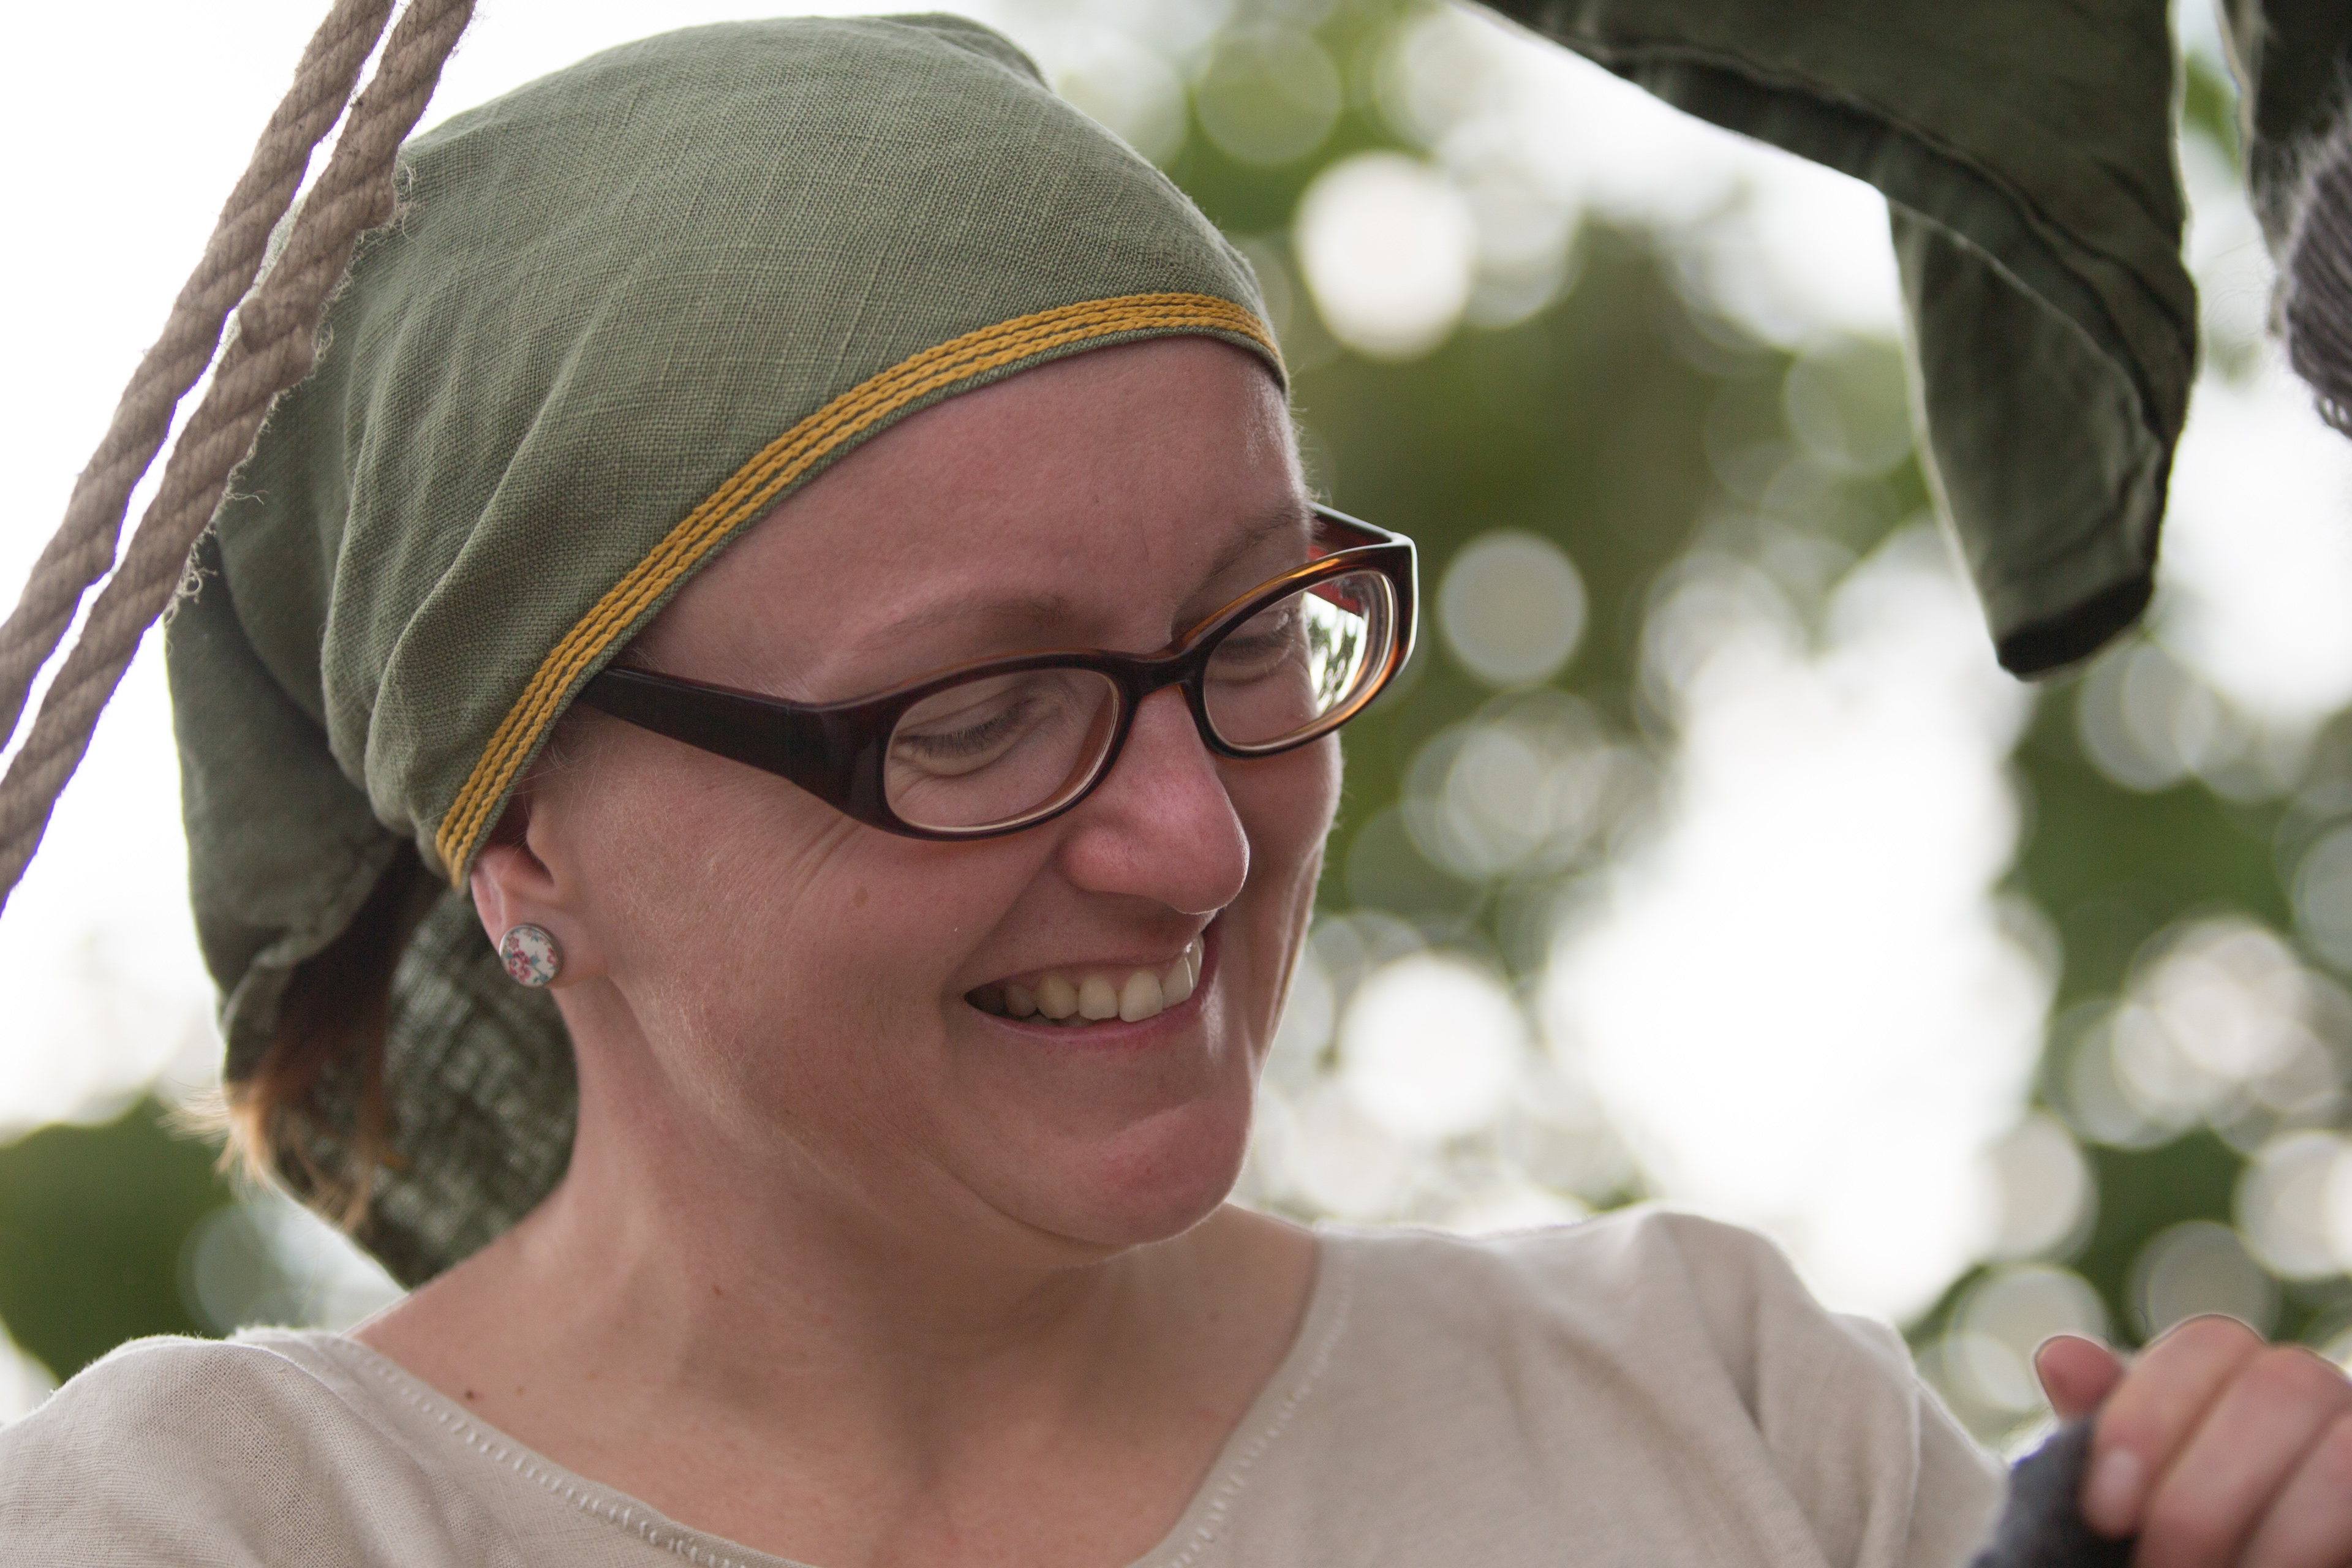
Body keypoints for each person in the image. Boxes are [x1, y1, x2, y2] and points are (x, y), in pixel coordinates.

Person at [2, 14, 2348, 1567]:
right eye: (975, 716)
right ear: (522, 829)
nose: (1200, 841)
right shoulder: (198, 1532)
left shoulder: (1716, 1416)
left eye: (1249, 639)